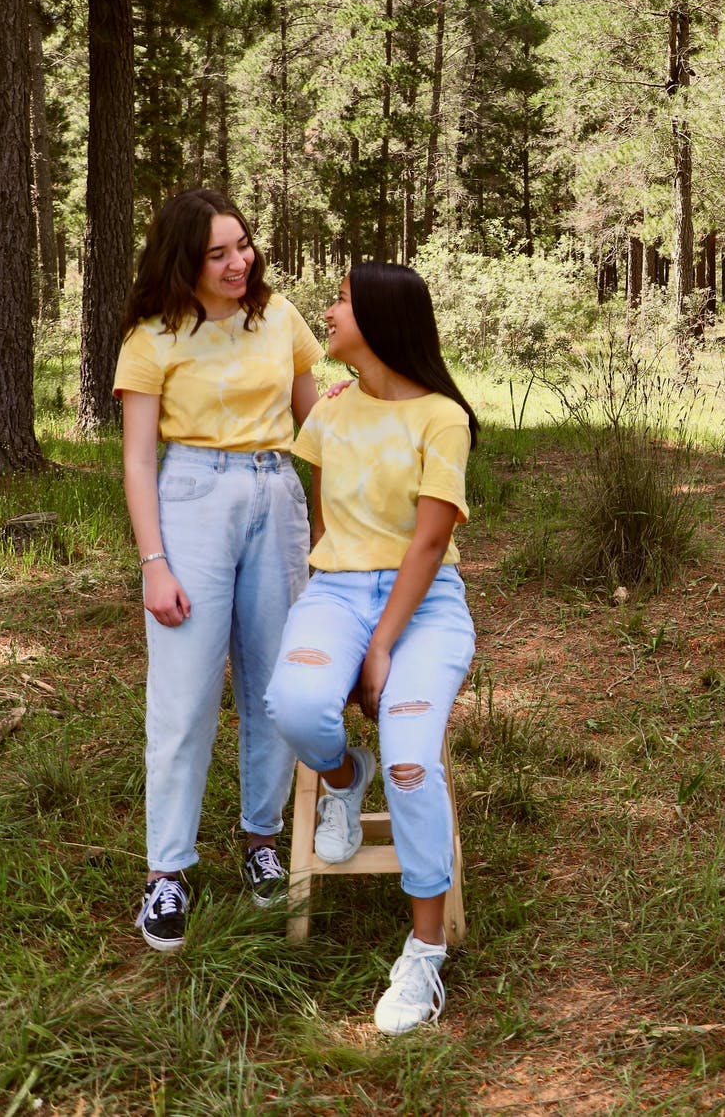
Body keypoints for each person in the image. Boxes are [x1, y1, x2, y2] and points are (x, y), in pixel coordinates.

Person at [265, 260, 478, 1034]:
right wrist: (337, 626)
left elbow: (427, 545)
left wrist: (379, 646)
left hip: (422, 605)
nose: (328, 310)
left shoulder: (441, 418)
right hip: (336, 593)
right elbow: (325, 526)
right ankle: (343, 775)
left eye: (342, 301)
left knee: (413, 757)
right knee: (295, 704)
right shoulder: (327, 412)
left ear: (382, 320)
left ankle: (423, 954)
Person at [114, 188, 324, 951]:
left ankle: (261, 839)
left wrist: (334, 532)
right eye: (218, 253)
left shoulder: (281, 318)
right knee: (184, 692)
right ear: (183, 262)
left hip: (277, 492)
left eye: (243, 245)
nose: (240, 262)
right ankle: (166, 873)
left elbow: (317, 425)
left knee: (275, 681)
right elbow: (138, 460)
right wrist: (153, 562)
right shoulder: (152, 336)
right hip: (192, 500)